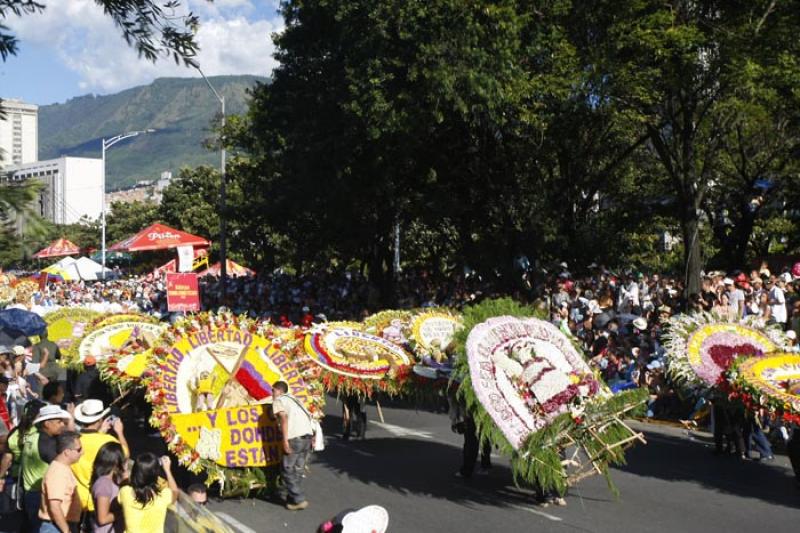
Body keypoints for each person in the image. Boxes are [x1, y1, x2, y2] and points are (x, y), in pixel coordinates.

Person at [71, 400, 129, 516]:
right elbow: (125, 455)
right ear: (100, 420)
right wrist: (120, 432)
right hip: (100, 498)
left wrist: (100, 432)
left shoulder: (73, 439)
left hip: (76, 498)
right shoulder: (107, 440)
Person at [22, 404, 73, 531]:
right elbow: (61, 465)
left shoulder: (32, 436)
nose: (62, 424)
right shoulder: (48, 444)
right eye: (59, 421)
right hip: (40, 495)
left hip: (29, 491)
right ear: (47, 424)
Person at [271, 380, 315, 511]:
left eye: (272, 390)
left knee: (286, 469)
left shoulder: (279, 401)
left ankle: (299, 498)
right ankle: (292, 499)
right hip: (307, 437)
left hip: (294, 438)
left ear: (279, 391)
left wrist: (284, 440)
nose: (271, 393)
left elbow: (283, 419)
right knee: (298, 469)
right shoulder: (295, 399)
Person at [118, 453, 178, 533]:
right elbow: (175, 492)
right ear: (156, 475)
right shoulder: (164, 496)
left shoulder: (125, 493)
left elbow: (124, 483)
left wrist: (125, 470)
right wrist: (167, 470)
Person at [39, 431, 83, 533]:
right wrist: (66, 531)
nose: (82, 452)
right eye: (79, 449)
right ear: (67, 452)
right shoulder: (58, 472)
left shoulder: (63, 468)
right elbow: (54, 506)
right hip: (56, 527)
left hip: (60, 525)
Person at [90, 442, 127, 533]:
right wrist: (124, 511)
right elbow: (103, 518)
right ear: (115, 461)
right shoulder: (104, 484)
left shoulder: (113, 479)